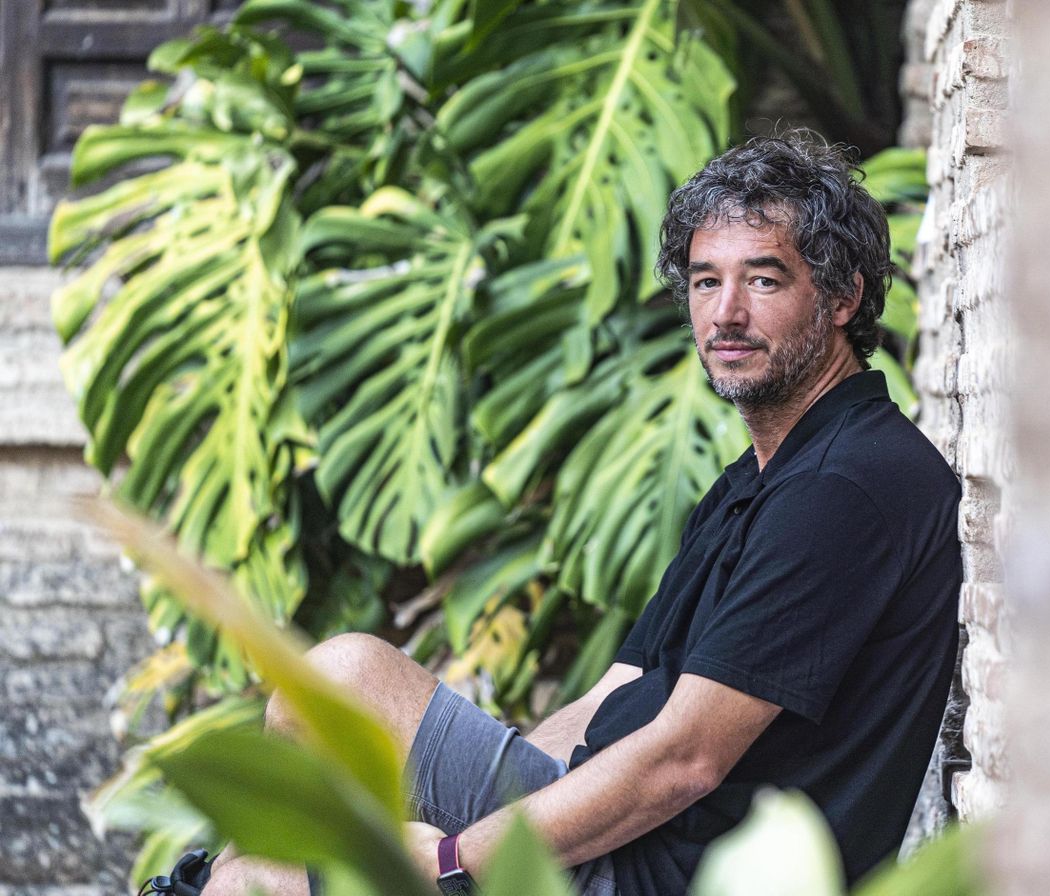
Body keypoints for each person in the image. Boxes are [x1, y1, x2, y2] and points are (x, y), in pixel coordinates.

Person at [188, 132, 962, 896]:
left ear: (843, 296)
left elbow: (684, 762)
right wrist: (499, 815)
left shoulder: (846, 489)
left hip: (673, 874)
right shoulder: (761, 475)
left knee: (258, 882)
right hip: (623, 839)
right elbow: (606, 699)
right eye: (703, 281)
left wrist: (450, 858)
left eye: (762, 281)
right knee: (335, 681)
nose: (724, 314)